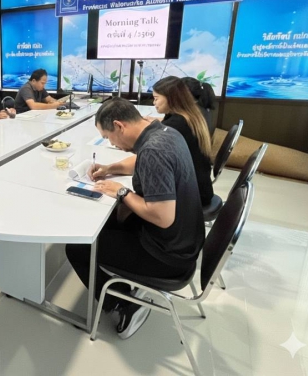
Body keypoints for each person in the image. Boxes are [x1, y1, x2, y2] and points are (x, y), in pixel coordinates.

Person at [66, 98, 204, 340]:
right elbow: (140, 160)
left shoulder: (153, 151)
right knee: (107, 221)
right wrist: (109, 168)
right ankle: (122, 290)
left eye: (108, 137)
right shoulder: (164, 132)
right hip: (186, 239)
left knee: (78, 248)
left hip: (168, 255)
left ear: (119, 126)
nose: (112, 143)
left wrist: (122, 192)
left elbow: (162, 217)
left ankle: (123, 304)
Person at [153, 76, 214, 206]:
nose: (154, 102)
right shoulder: (191, 115)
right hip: (200, 188)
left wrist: (112, 168)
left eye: (156, 98)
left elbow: (147, 156)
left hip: (191, 198)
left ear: (170, 98)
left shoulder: (176, 125)